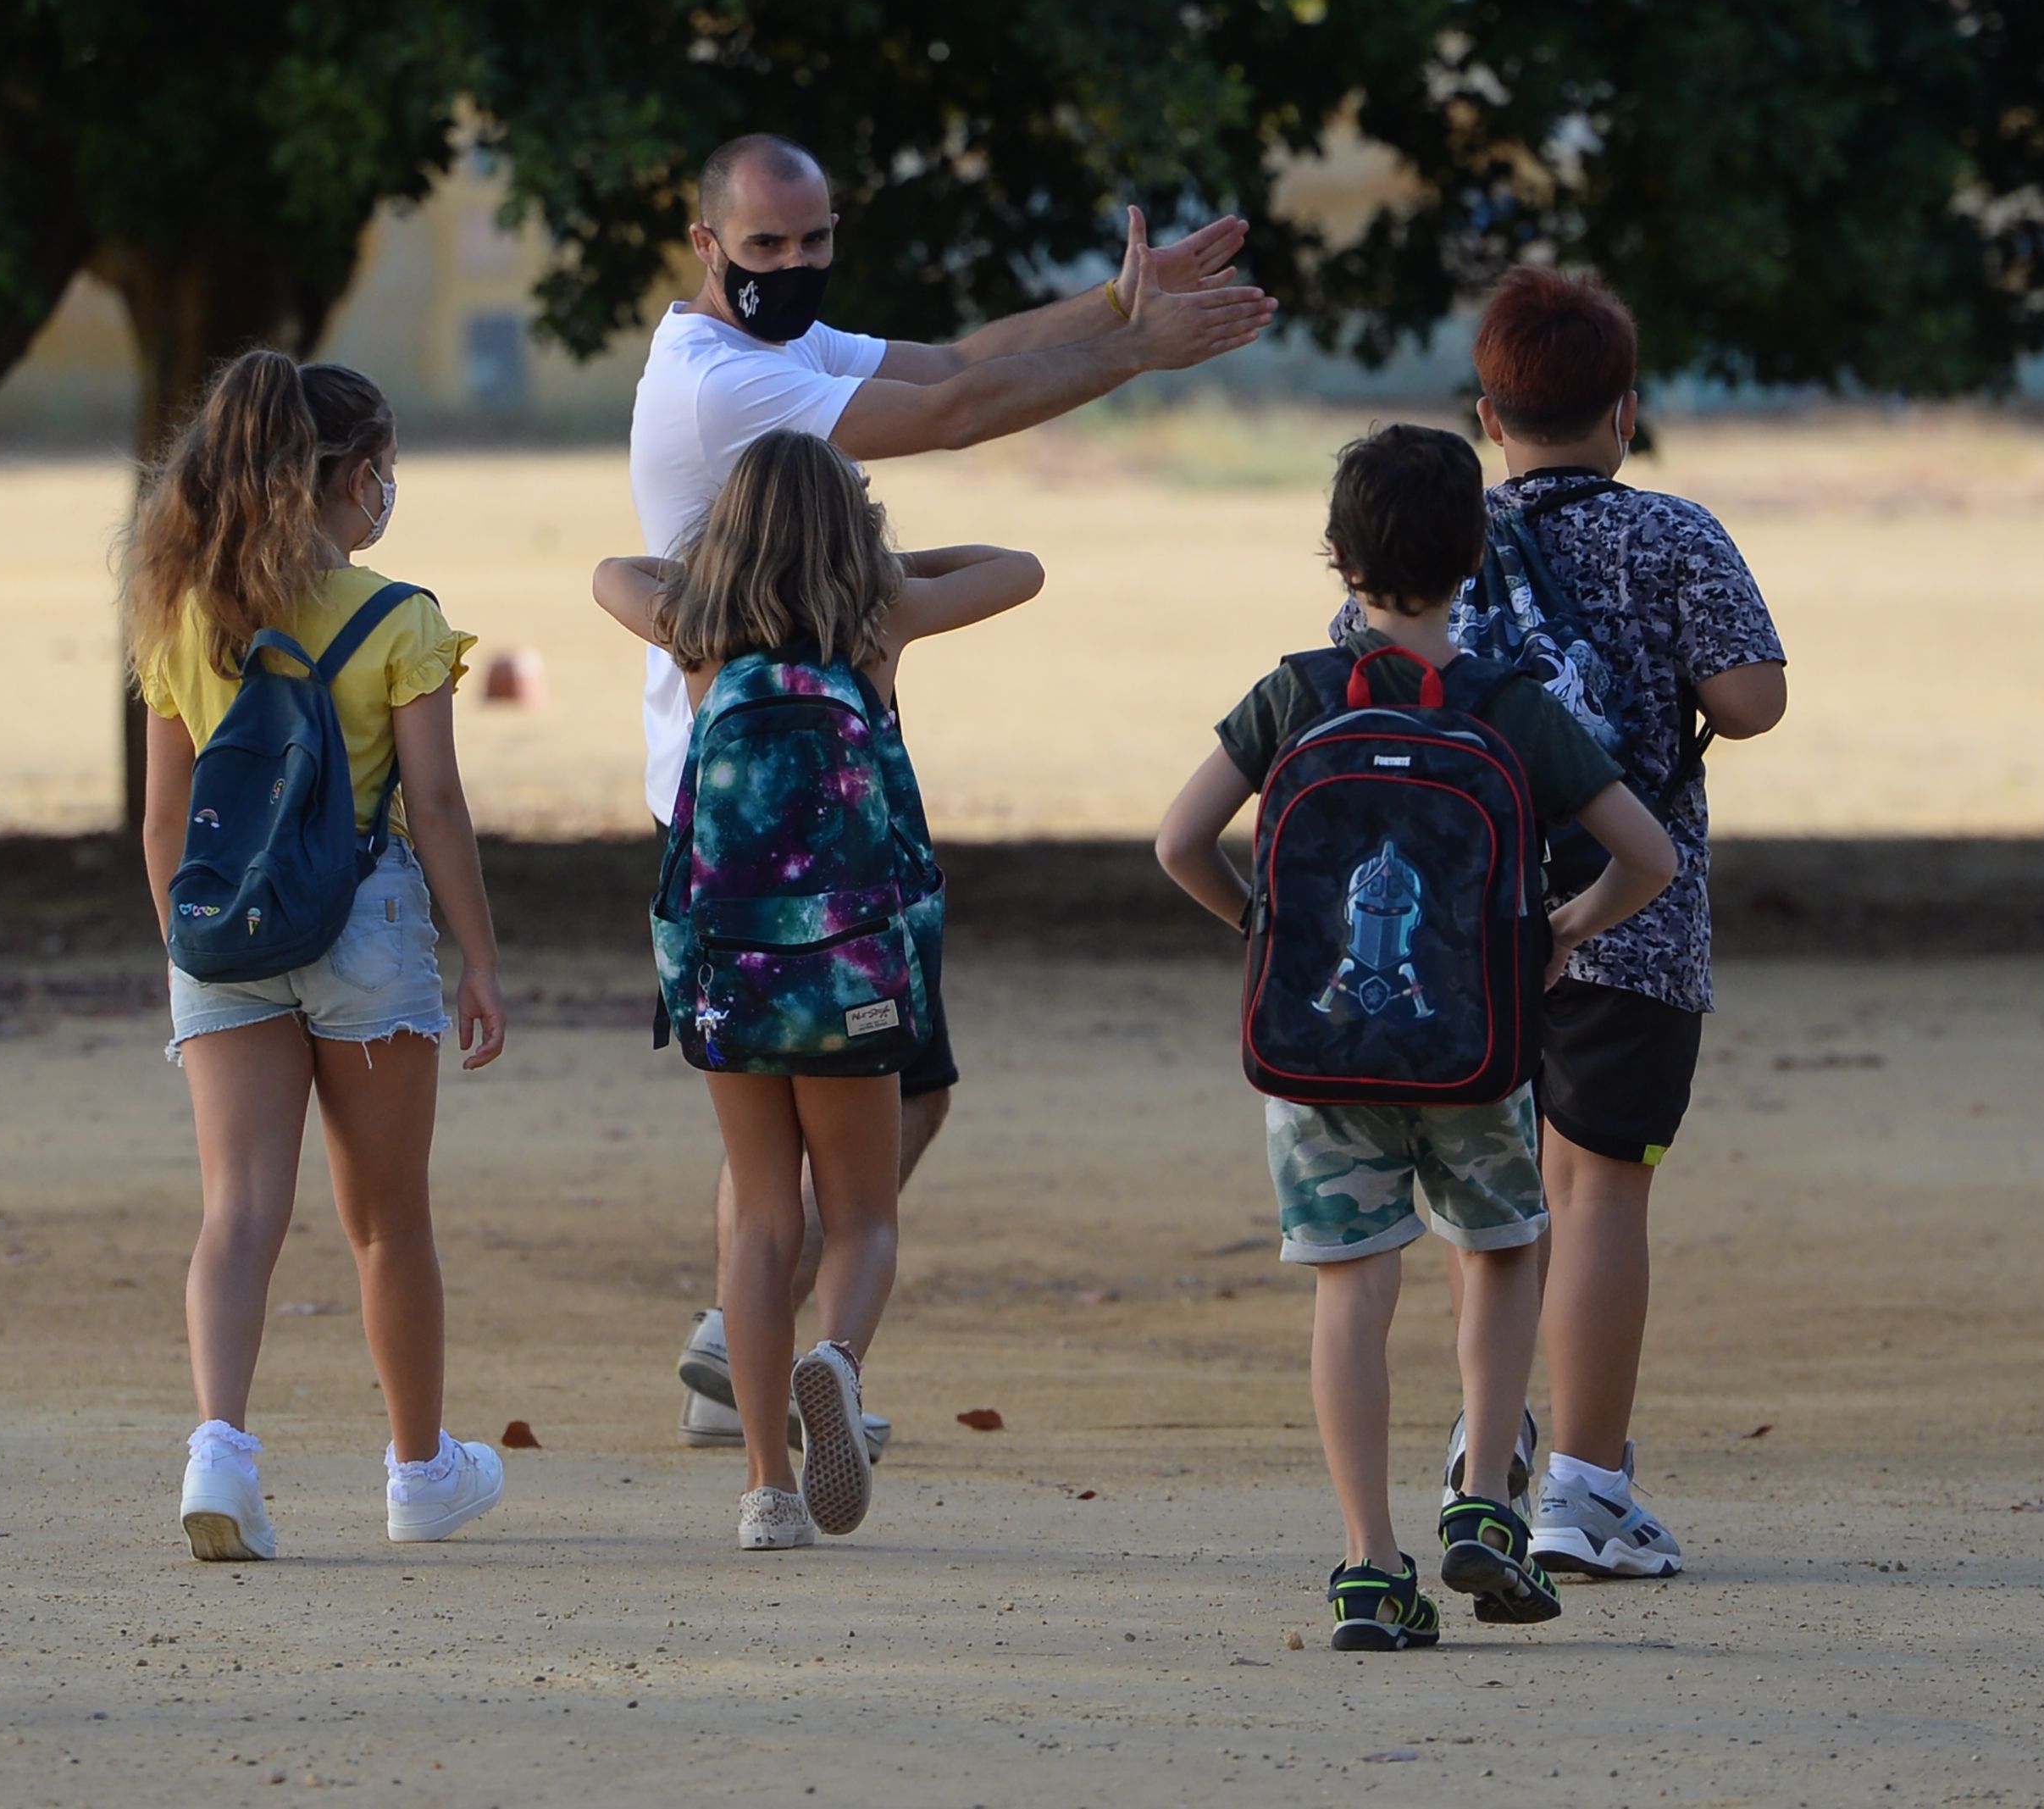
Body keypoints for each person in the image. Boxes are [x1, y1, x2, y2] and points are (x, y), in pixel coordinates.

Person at [636, 130, 1275, 1446]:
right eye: (765, 245)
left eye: (816, 239)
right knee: (880, 1103)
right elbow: (955, 419)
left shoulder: (763, 345)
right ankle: (769, 1352)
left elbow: (953, 361)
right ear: (705, 244)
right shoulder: (722, 384)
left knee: (786, 1120)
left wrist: (1113, 307)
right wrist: (1136, 354)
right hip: (800, 823)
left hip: (731, 812)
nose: (795, 264)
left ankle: (739, 1356)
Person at [1155, 424, 1676, 1649]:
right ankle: (1484, 1500)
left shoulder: (1295, 692)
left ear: (1338, 556)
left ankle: (1367, 1565)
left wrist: (1269, 933)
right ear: (1474, 556)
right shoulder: (1511, 705)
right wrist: (1557, 932)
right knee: (1498, 1250)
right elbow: (1648, 857)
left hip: (1320, 1048)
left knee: (1353, 1285)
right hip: (1473, 1046)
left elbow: (1179, 843)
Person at [1341, 267, 1787, 1577]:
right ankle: (1586, 1490)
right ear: (1625, 412)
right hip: (1633, 918)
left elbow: (1363, 681)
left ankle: (1487, 1449)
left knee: (1489, 1190)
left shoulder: (1434, 535)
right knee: (1600, 1188)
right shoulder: (1674, 534)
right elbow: (1752, 701)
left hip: (1457, 927)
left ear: (1489, 415)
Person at [597, 430, 1041, 1548]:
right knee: (860, 1215)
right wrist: (871, 564)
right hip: (853, 967)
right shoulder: (876, 626)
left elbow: (608, 572)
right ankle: (835, 1358)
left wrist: (725, 563)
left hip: (729, 968)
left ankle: (765, 1490)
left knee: (759, 1217)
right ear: (856, 532)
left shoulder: (696, 632)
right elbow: (1020, 566)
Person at [125, 353, 511, 1560]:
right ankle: (419, 1471)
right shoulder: (400, 619)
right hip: (364, 922)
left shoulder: (185, 615)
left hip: (222, 925)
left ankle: (219, 1451)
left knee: (238, 1211)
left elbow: (163, 820)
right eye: (384, 469)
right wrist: (480, 959)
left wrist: (192, 953)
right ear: (351, 479)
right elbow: (434, 805)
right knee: (388, 1222)